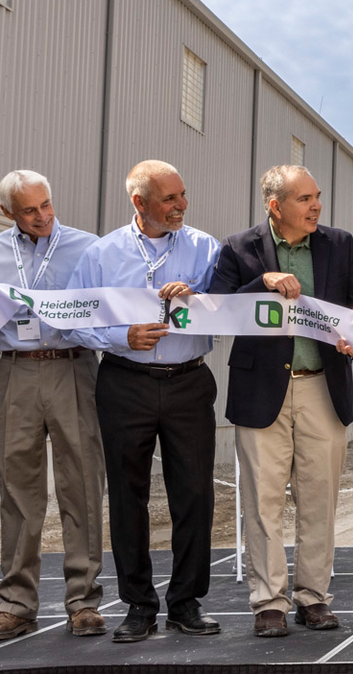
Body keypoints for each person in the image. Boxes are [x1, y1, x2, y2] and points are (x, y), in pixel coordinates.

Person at [66, 160, 223, 643]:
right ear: (140, 202)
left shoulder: (205, 247)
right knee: (127, 495)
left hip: (189, 381)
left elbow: (231, 304)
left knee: (194, 494)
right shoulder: (102, 253)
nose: (181, 206)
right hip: (125, 382)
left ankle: (186, 602)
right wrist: (119, 336)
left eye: (182, 195)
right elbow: (73, 315)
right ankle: (138, 605)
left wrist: (199, 298)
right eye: (170, 199)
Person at [213, 165, 353, 637]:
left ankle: (314, 598)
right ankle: (269, 604)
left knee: (319, 500)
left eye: (317, 196)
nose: (316, 206)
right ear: (275, 206)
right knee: (262, 504)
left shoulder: (339, 245)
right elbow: (218, 311)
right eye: (304, 199)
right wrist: (260, 283)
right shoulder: (239, 248)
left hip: (323, 385)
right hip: (262, 391)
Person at [0, 171, 104, 640]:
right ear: (7, 213)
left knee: (81, 484)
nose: (42, 216)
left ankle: (83, 601)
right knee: (18, 491)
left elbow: (109, 303)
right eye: (29, 210)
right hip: (15, 370)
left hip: (74, 367)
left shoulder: (88, 247)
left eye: (46, 205)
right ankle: (16, 605)